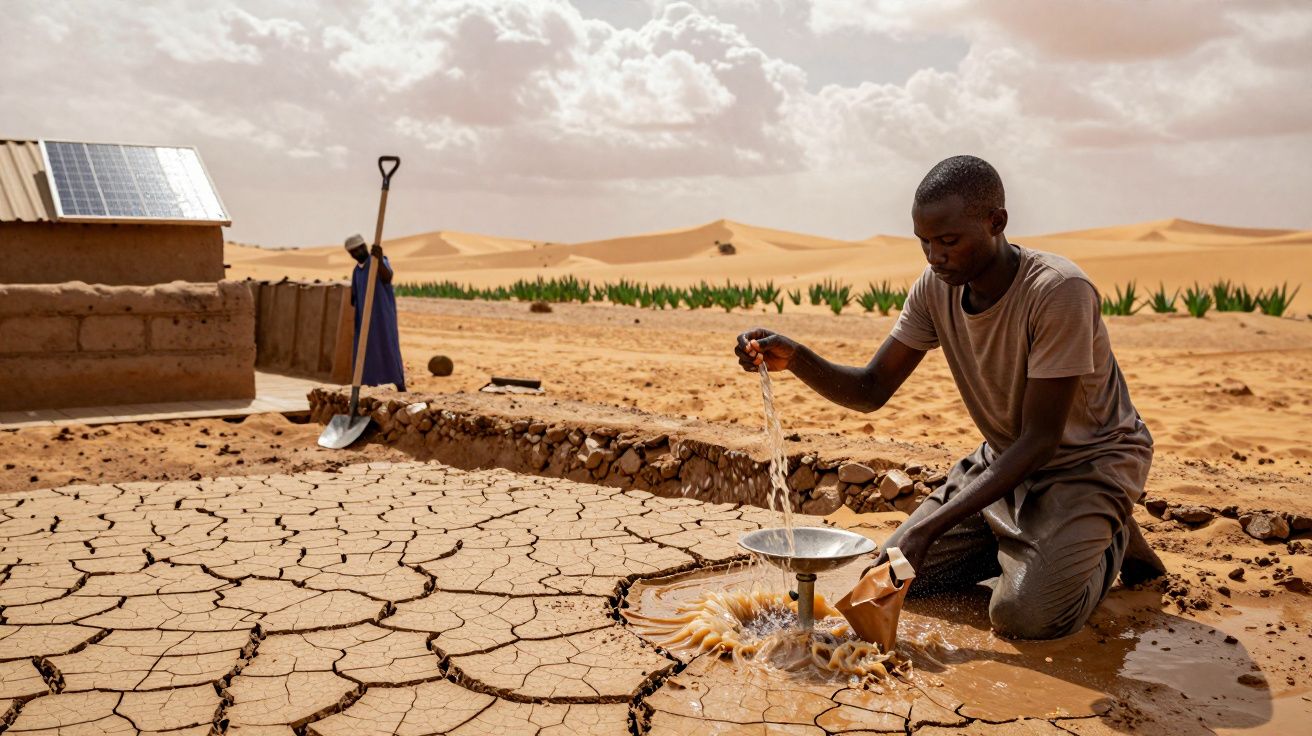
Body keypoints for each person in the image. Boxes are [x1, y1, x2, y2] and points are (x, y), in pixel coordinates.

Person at [734, 155, 1165, 640]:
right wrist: (797, 359)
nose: (934, 256)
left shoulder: (1058, 291)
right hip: (1007, 463)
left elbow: (1042, 441)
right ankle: (1040, 540)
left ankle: (1109, 534)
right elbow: (871, 390)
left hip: (1084, 466)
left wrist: (926, 530)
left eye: (948, 241)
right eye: (924, 242)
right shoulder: (935, 289)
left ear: (996, 223)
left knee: (1024, 617)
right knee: (892, 578)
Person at [345, 233, 406, 392]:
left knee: (388, 348)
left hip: (382, 317)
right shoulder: (356, 271)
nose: (359, 252)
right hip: (364, 321)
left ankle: (400, 386)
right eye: (355, 251)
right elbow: (353, 297)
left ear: (365, 247)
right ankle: (366, 389)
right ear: (351, 254)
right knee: (366, 355)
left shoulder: (377, 262)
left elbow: (388, 276)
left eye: (361, 248)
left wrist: (378, 259)